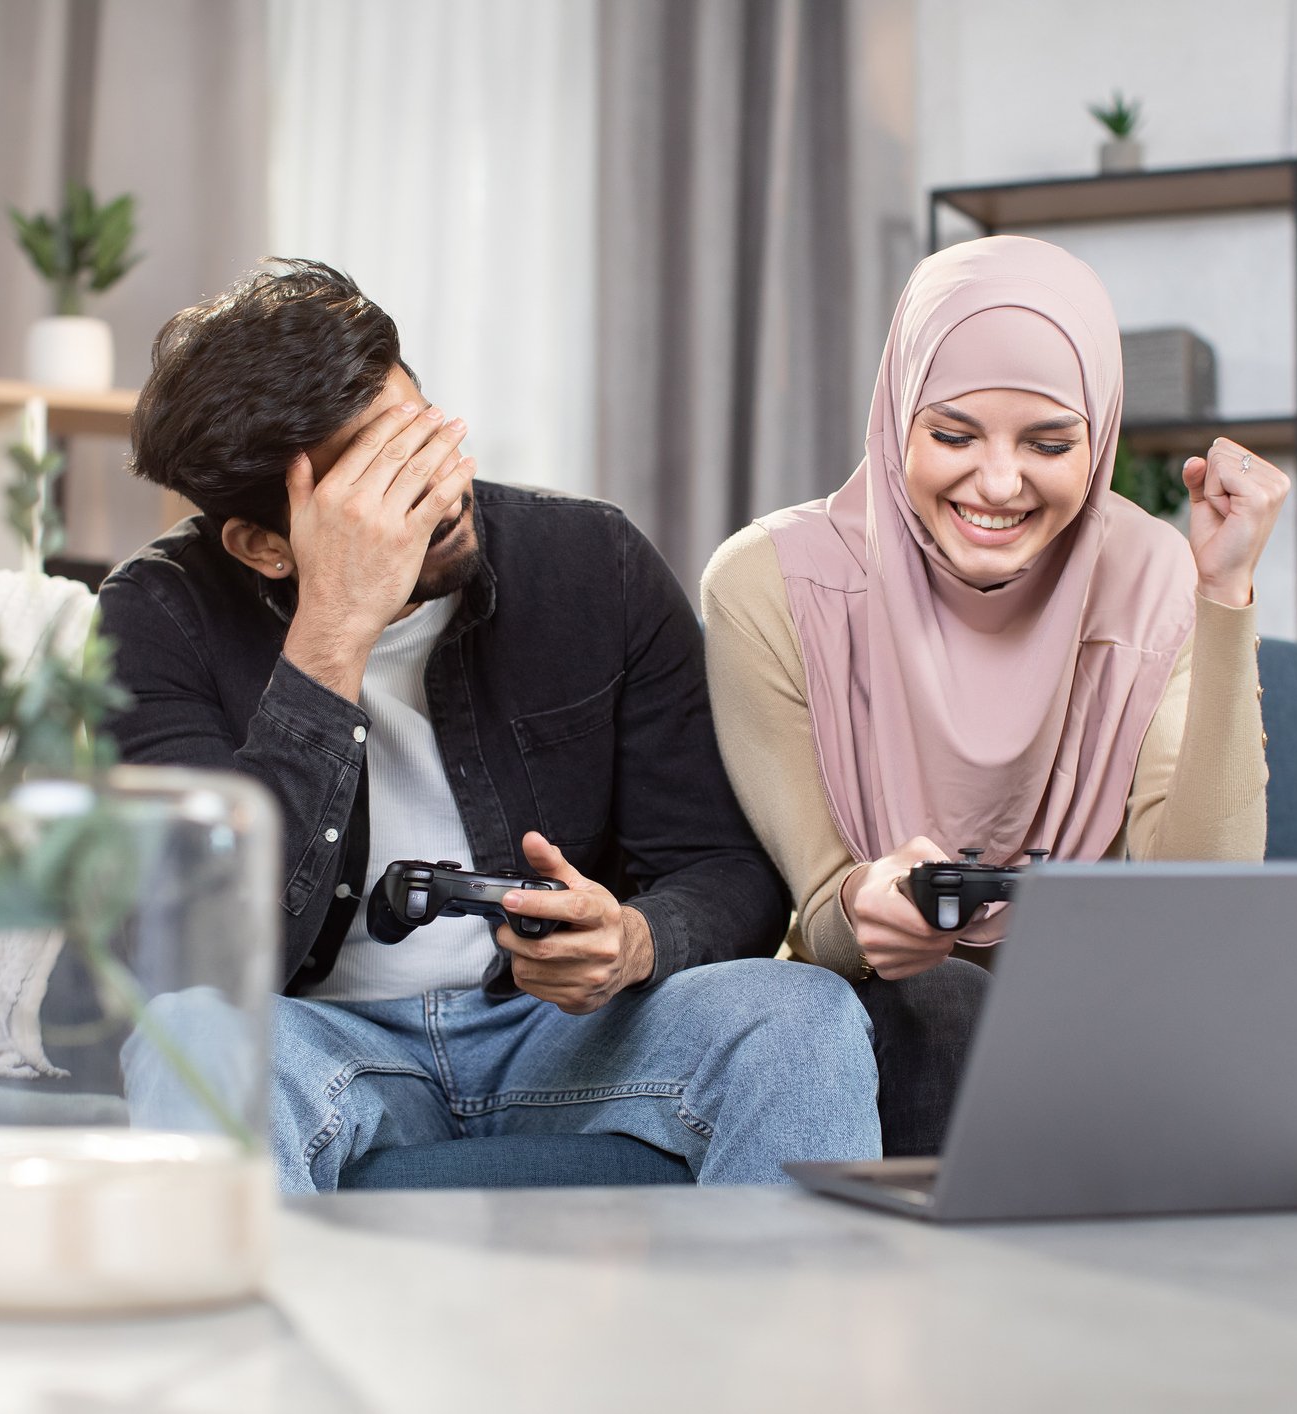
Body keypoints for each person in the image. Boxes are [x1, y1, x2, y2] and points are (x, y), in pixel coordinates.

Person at [100, 259, 881, 1190]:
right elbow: (203, 947)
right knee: (188, 1037)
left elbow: (724, 866)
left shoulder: (594, 562)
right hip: (314, 1038)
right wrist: (333, 634)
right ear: (263, 544)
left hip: (559, 1034)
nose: (440, 488)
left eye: (422, 434)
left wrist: (635, 938)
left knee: (798, 1013)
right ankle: (232, 1340)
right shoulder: (157, 617)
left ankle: (799, 1338)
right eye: (378, 481)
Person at [700, 236, 1285, 1156]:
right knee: (939, 999)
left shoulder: (1155, 577)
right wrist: (863, 906)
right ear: (897, 417)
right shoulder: (767, 584)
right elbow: (812, 904)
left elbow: (1205, 898)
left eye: (1050, 442)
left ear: (1099, 438)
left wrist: (1220, 597)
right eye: (951, 435)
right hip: (864, 1010)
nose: (1000, 483)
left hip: (1091, 1007)